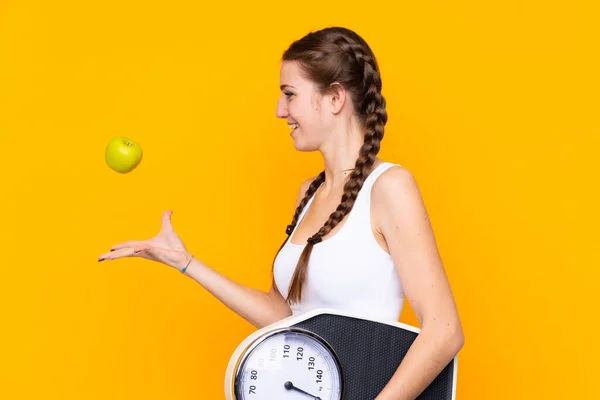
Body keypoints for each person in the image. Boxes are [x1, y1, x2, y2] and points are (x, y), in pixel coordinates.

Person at [98, 26, 464, 400]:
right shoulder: (309, 193)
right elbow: (285, 316)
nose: (279, 111)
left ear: (335, 98)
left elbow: (444, 329)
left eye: (290, 95)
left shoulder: (389, 187)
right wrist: (186, 262)